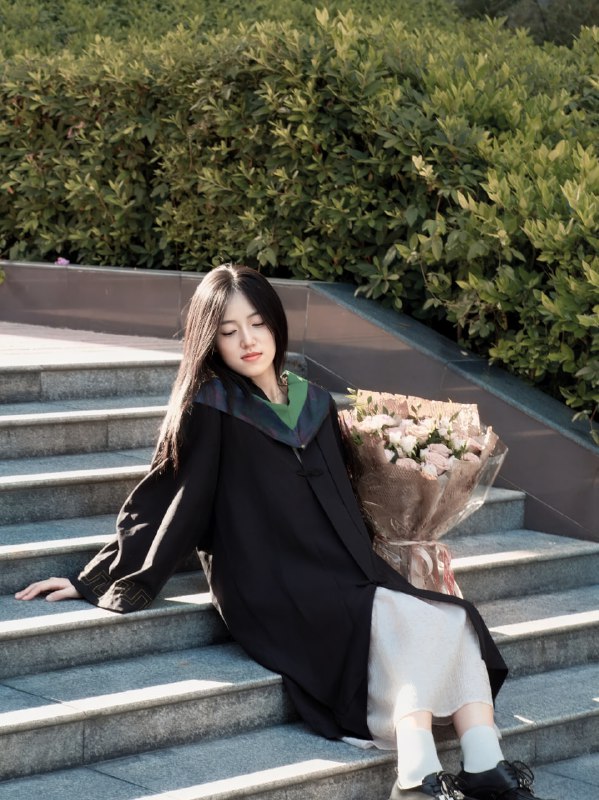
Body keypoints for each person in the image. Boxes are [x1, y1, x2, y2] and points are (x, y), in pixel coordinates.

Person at [16, 264, 553, 800]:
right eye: (228, 331)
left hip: (343, 565)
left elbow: (349, 493)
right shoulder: (211, 406)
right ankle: (422, 771)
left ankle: (481, 764)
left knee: (449, 615)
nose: (247, 341)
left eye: (257, 324)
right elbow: (169, 498)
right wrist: (95, 577)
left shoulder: (313, 401)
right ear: (210, 341)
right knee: (410, 619)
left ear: (276, 323)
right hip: (269, 578)